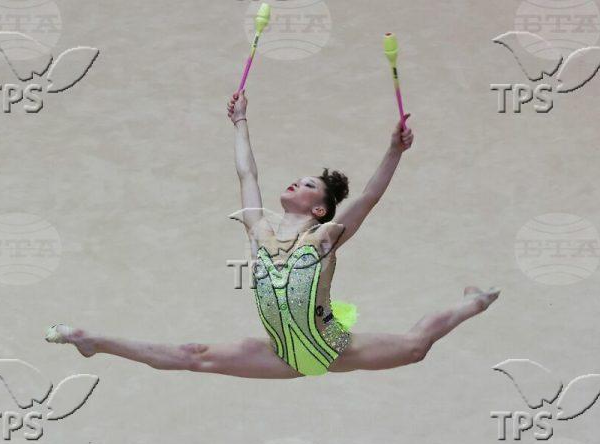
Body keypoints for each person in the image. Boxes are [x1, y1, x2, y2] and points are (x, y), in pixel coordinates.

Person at [45, 89, 500, 379]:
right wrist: (240, 121)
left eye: (308, 185)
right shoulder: (258, 227)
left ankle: (473, 302)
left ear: (319, 209)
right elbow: (247, 172)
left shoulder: (325, 238)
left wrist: (394, 149)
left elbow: (369, 196)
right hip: (281, 352)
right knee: (192, 355)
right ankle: (92, 341)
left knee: (416, 347)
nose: (296, 183)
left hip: (329, 348)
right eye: (297, 179)